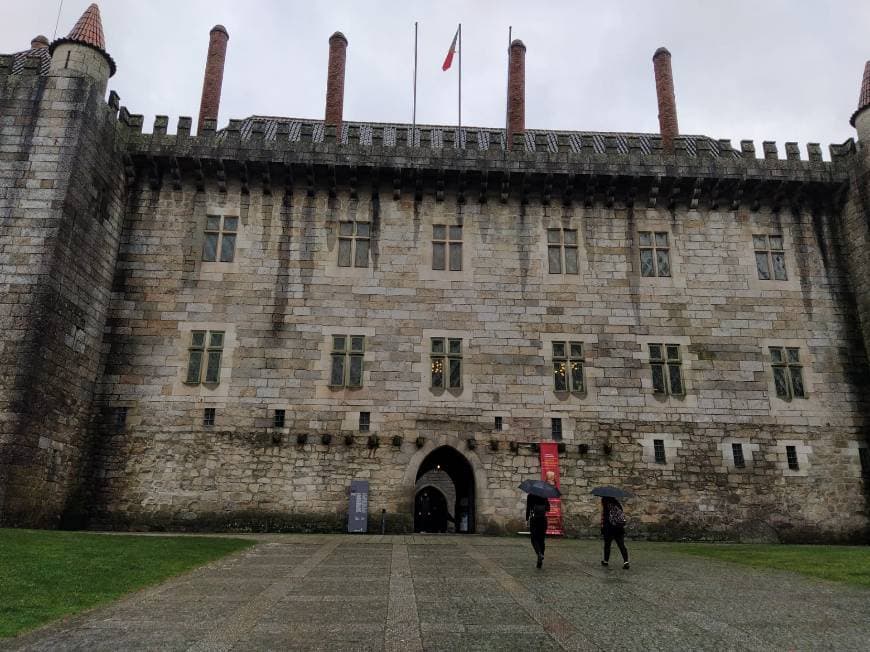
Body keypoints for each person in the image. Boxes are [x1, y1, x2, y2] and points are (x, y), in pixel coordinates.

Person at [601, 496, 630, 569]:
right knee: (621, 545)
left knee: (607, 545)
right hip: (619, 528)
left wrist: (602, 527)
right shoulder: (618, 504)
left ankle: (605, 561)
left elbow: (605, 519)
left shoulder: (606, 506)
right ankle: (626, 562)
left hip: (609, 529)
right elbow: (621, 516)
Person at [526, 493, 550, 568]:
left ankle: (539, 553)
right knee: (541, 539)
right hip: (543, 519)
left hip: (534, 519)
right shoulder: (544, 495)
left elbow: (528, 508)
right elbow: (548, 508)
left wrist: (527, 519)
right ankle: (541, 556)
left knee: (533, 539)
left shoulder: (530, 496)